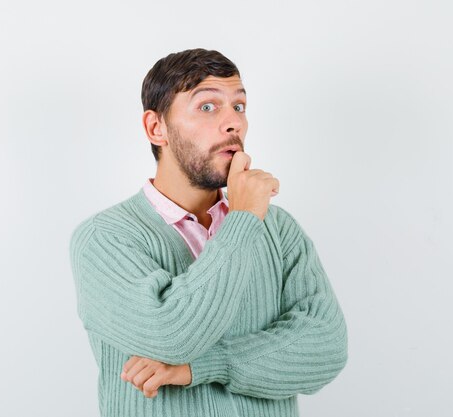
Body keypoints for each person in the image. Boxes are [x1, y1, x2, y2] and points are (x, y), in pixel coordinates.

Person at [69, 48, 348, 417]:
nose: (233, 123)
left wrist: (199, 368)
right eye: (207, 107)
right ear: (157, 128)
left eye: (239, 106)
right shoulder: (104, 239)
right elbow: (171, 335)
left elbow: (325, 348)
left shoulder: (278, 229)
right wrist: (244, 218)